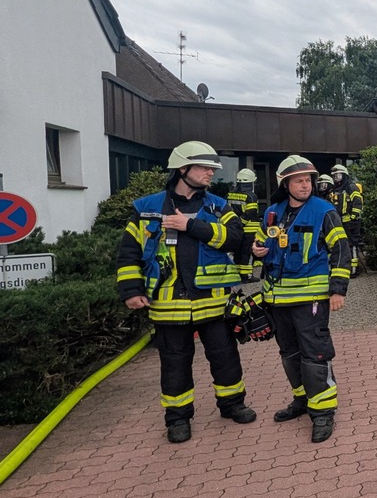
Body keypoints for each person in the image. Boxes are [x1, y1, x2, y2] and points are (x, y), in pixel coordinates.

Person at [116, 141, 256, 444]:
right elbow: (129, 254)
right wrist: (130, 290)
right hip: (168, 304)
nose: (210, 172)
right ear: (183, 169)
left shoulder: (218, 206)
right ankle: (178, 419)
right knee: (175, 362)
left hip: (214, 301)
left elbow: (236, 238)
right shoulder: (146, 209)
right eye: (204, 167)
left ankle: (233, 404)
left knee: (225, 357)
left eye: (212, 168)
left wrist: (191, 225)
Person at [251, 155, 351, 443]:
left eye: (308, 180)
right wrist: (258, 250)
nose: (305, 185)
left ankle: (322, 413)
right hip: (277, 299)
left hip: (312, 299)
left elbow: (341, 251)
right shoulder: (272, 212)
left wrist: (337, 290)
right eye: (299, 181)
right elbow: (260, 242)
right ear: (286, 183)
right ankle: (302, 401)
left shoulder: (324, 210)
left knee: (315, 354)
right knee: (289, 354)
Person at [227, 168, 262, 283]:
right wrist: (241, 223)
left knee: (237, 251)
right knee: (247, 252)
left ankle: (237, 274)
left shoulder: (231, 194)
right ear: (250, 182)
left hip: (236, 229)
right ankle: (246, 276)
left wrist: (236, 225)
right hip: (249, 229)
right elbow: (250, 212)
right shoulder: (251, 196)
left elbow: (229, 210)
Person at [330, 165, 364, 277]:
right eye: (334, 176)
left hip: (351, 222)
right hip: (340, 222)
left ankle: (354, 270)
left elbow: (358, 202)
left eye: (338, 175)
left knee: (352, 245)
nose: (336, 178)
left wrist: (354, 217)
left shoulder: (351, 187)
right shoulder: (335, 190)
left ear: (344, 175)